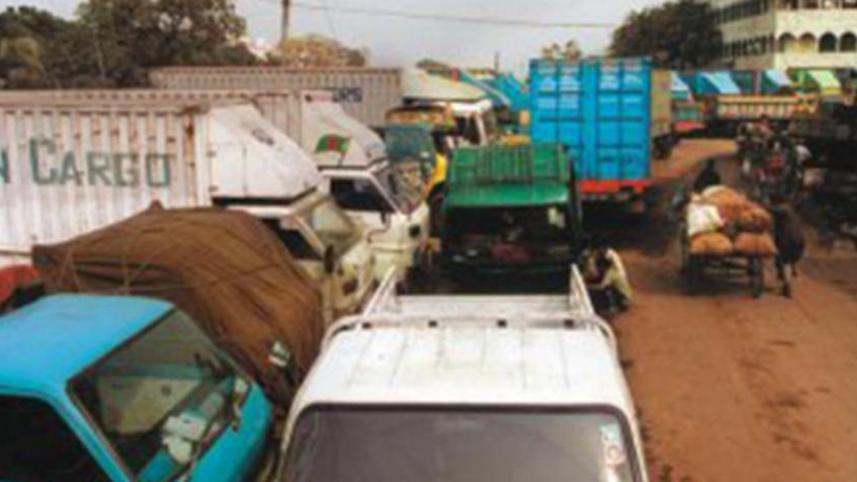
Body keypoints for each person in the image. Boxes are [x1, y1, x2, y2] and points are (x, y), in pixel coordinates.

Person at [582, 240, 632, 315]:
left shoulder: (611, 272)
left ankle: (613, 307)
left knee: (605, 288)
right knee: (604, 285)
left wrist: (587, 287)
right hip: (623, 290)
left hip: (624, 300)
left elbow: (601, 286)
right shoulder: (612, 268)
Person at [770, 195, 806, 298]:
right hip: (799, 239)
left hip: (789, 239)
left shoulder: (782, 209)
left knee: (786, 262)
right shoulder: (791, 211)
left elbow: (770, 210)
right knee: (789, 261)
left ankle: (787, 286)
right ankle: (789, 276)